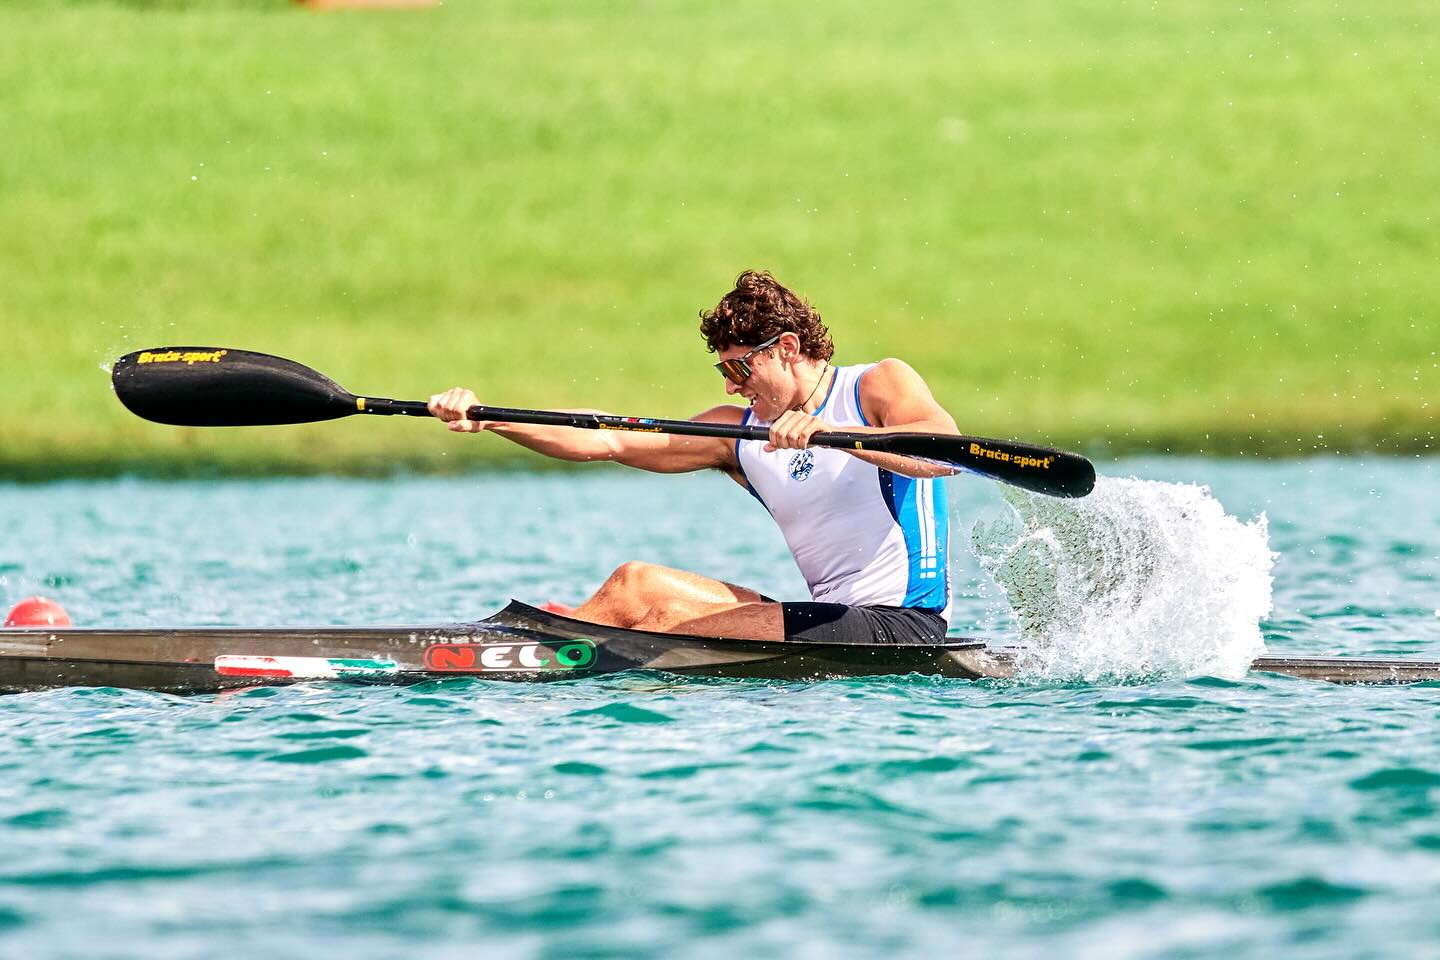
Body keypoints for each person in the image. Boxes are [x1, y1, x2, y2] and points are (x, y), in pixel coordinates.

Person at [428, 270, 959, 643]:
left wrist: (833, 433)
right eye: (724, 373)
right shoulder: (739, 435)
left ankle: (560, 661)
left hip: (903, 624)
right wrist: (489, 417)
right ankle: (507, 652)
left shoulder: (876, 385)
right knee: (636, 583)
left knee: (668, 619)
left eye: (740, 370)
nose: (734, 389)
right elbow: (606, 436)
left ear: (788, 348)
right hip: (828, 618)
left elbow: (943, 450)